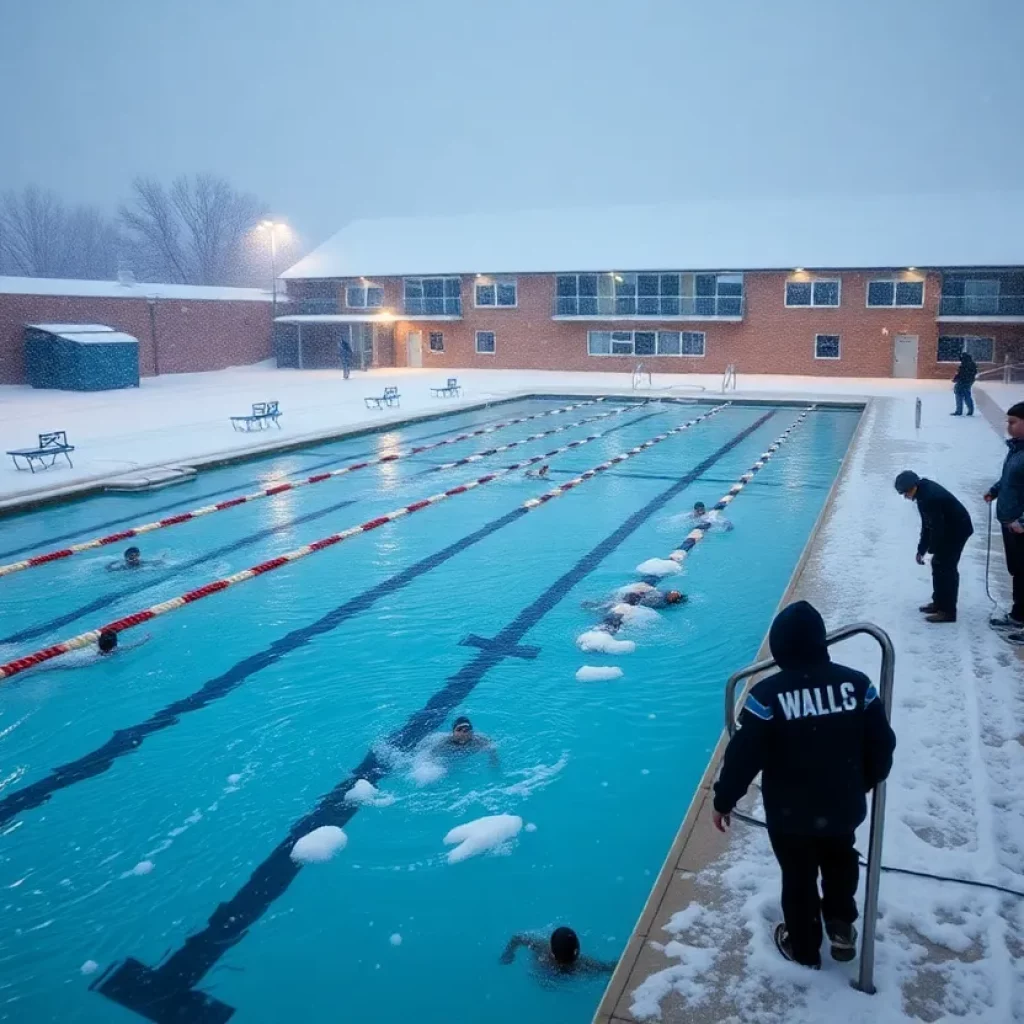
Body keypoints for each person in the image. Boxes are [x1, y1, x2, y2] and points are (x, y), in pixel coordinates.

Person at [712, 601, 896, 969]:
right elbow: (882, 742)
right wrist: (868, 779)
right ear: (821, 642)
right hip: (843, 805)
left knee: (798, 877)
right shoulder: (858, 685)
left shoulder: (767, 696)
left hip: (791, 814)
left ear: (779, 649)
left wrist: (724, 799)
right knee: (841, 861)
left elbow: (743, 756)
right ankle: (841, 923)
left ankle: (805, 946)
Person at [894, 470, 974, 623]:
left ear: (913, 487)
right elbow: (927, 525)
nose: (905, 496)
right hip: (948, 528)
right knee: (938, 566)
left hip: (958, 530)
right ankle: (939, 603)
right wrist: (921, 549)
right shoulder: (922, 494)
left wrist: (932, 550)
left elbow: (936, 528)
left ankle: (948, 612)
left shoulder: (930, 497)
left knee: (946, 568)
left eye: (905, 493)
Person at [986, 401, 1024, 643]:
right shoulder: (1016, 450)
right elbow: (1010, 480)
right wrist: (995, 490)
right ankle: (1018, 616)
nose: (1008, 427)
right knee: (1018, 571)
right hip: (1010, 522)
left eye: (1013, 422)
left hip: (1020, 524)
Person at [500, 927, 616, 976]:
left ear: (551, 949)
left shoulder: (542, 951)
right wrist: (509, 952)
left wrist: (509, 953)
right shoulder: (582, 966)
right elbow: (608, 968)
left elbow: (517, 937)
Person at [951, 351, 978, 417]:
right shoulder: (972, 364)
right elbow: (974, 373)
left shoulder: (964, 365)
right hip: (969, 381)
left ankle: (959, 411)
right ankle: (970, 410)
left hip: (962, 382)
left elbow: (960, 374)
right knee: (967, 396)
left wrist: (955, 379)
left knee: (959, 395)